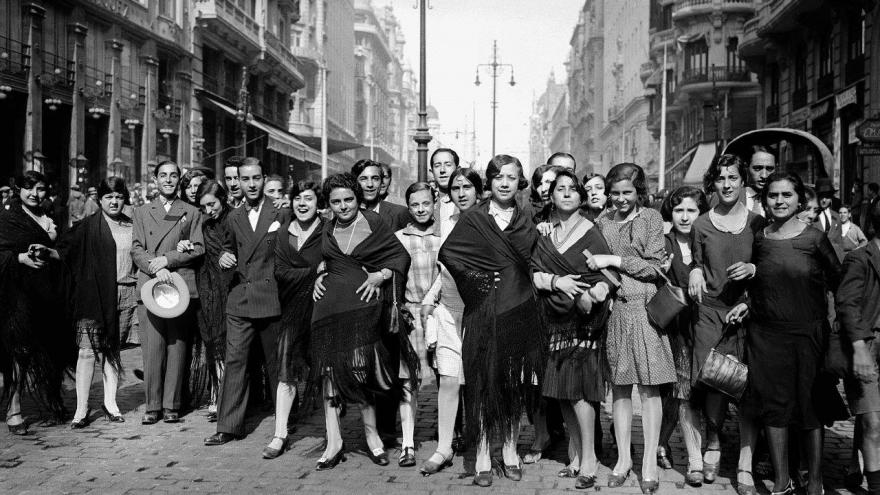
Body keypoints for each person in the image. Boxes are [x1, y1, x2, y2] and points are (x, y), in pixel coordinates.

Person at [726, 171, 841, 495]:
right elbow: (762, 280)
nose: (779, 201)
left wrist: (836, 331)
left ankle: (815, 482)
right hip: (766, 335)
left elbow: (838, 283)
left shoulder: (814, 238)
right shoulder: (760, 238)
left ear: (799, 200)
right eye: (773, 196)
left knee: (809, 408)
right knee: (774, 409)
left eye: (786, 195)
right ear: (766, 200)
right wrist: (749, 296)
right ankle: (781, 481)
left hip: (808, 336)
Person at [439, 154, 544, 487]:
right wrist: (478, 282)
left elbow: (537, 259)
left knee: (513, 384)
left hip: (520, 309)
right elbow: (450, 255)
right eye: (498, 177)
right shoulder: (474, 218)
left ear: (519, 183)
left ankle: (510, 451)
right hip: (484, 311)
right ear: (489, 181)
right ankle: (483, 454)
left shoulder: (528, 219)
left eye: (511, 178)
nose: (504, 183)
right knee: (483, 383)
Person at [308, 172, 411, 470]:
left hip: (364, 309)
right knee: (329, 376)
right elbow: (321, 258)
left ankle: (372, 437)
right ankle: (333, 442)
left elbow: (399, 258)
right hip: (327, 310)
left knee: (360, 372)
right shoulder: (326, 228)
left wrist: (381, 275)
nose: (343, 206)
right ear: (328, 204)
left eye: (348, 200)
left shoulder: (374, 223)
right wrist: (318, 274)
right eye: (336, 202)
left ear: (357, 198)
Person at [587, 162, 673, 493]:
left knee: (650, 389)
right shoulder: (602, 222)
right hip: (615, 312)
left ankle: (648, 460)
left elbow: (654, 268)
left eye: (628, 192)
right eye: (615, 193)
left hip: (646, 311)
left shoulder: (650, 219)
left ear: (639, 192)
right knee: (620, 390)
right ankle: (623, 459)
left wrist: (614, 261)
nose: (621, 199)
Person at [531, 168, 614, 489]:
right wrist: (554, 281)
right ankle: (575, 455)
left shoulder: (591, 232)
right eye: (559, 188)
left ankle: (590, 459)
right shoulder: (546, 235)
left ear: (581, 197)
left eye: (572, 189)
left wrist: (594, 295)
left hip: (584, 323)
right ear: (550, 196)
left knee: (580, 394)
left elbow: (608, 277)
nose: (566, 193)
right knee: (563, 394)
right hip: (553, 321)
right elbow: (534, 273)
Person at [688, 155, 763, 492]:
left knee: (747, 386)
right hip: (711, 313)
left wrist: (753, 274)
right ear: (713, 184)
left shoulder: (758, 223)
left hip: (749, 313)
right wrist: (693, 270)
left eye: (733, 177)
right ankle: (714, 443)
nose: (728, 184)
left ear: (743, 181)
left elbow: (771, 269)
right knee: (714, 380)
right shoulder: (702, 224)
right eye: (721, 178)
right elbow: (697, 261)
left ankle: (745, 463)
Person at [204, 157, 290, 446]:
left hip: (271, 298)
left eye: (256, 178)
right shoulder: (234, 217)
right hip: (241, 299)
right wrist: (223, 257)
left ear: (264, 179)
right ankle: (228, 426)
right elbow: (227, 248)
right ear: (237, 182)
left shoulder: (280, 213)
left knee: (276, 363)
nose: (251, 185)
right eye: (245, 179)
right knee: (235, 361)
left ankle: (286, 421)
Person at [131, 160, 205, 425]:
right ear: (155, 180)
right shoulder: (140, 212)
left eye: (174, 176)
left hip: (179, 285)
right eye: (163, 175)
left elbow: (198, 248)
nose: (169, 180)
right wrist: (154, 266)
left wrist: (168, 260)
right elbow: (137, 248)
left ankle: (172, 404)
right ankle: (152, 405)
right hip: (151, 284)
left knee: (177, 345)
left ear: (179, 180)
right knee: (152, 347)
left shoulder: (191, 211)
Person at [59, 177, 136, 428]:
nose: (114, 201)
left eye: (119, 197)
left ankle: (110, 404)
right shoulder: (86, 226)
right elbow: (63, 251)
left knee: (112, 350)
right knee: (86, 351)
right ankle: (81, 409)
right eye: (109, 197)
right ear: (100, 200)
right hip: (92, 296)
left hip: (125, 293)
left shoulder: (132, 226)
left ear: (125, 199)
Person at [419, 167, 481, 476]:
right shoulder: (447, 222)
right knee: (448, 380)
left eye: (467, 187)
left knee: (479, 383)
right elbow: (444, 269)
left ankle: (483, 448)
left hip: (478, 313)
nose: (461, 192)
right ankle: (444, 447)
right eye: (455, 188)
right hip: (447, 311)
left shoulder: (489, 223)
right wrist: (431, 296)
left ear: (477, 191)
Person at [0, 170, 73, 434]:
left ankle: (51, 400)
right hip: (15, 295)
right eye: (28, 188)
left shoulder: (49, 218)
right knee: (20, 351)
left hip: (45, 293)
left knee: (50, 351)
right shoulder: (7, 218)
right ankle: (14, 407)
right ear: (18, 189)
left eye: (40, 189)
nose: (34, 194)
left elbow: (62, 252)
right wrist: (19, 258)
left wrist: (50, 245)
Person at [262, 180, 325, 459]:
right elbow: (280, 272)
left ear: (317, 202)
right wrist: (315, 272)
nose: (302, 203)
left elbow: (337, 267)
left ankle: (332, 434)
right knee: (286, 372)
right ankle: (280, 434)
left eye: (308, 198)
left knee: (326, 373)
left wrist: (320, 272)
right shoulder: (283, 233)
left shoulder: (328, 231)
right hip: (291, 312)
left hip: (323, 312)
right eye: (297, 198)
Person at [658, 186, 710, 486]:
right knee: (680, 394)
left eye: (692, 210)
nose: (685, 217)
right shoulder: (663, 243)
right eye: (679, 210)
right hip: (674, 328)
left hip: (704, 325)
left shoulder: (707, 240)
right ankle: (694, 461)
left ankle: (661, 445)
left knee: (692, 395)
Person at [389, 182, 440, 467]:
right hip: (410, 316)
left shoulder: (444, 237)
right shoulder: (398, 238)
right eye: (415, 205)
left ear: (434, 203)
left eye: (426, 203)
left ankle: (452, 431)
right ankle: (408, 442)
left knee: (447, 377)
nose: (421, 209)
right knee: (408, 379)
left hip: (439, 315)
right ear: (409, 208)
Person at [839, 203, 880, 495]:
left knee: (872, 417)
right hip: (867, 346)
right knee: (873, 422)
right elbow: (847, 304)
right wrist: (859, 347)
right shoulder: (859, 259)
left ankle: (857, 464)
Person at [191, 179, 233, 422]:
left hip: (229, 285)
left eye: (212, 204)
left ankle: (229, 395)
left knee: (229, 342)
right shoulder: (203, 222)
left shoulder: (233, 219)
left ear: (222, 199)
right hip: (208, 286)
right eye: (204, 206)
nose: (209, 210)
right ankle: (217, 394)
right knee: (213, 343)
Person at [351, 159, 410, 231]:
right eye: (363, 179)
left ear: (381, 182)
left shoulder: (399, 213)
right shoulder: (346, 212)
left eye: (375, 179)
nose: (370, 184)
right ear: (355, 183)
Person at [744, 146, 776, 216]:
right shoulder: (734, 197)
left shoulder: (781, 200)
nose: (764, 176)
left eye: (769, 169)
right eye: (757, 168)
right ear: (746, 167)